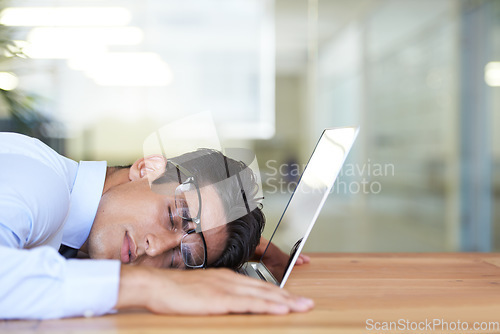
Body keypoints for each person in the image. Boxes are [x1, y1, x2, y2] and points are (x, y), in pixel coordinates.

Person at [0, 132, 313, 319]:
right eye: (175, 216)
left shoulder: (75, 232)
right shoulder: (40, 186)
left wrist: (210, 243)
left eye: (182, 257)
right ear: (146, 169)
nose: (157, 247)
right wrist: (149, 286)